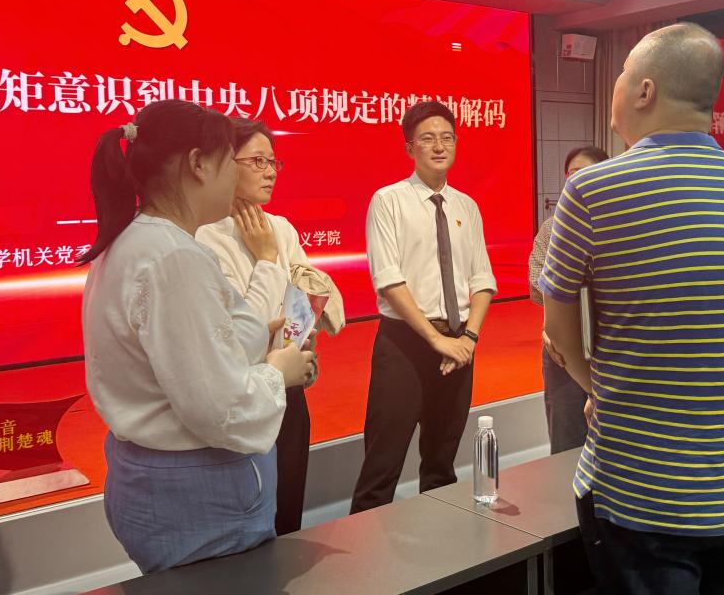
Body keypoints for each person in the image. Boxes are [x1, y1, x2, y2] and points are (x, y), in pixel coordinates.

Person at [540, 23, 724, 595]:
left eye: (623, 73)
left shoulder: (593, 190)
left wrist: (596, 388)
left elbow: (558, 331)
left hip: (641, 493)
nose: (617, 85)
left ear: (645, 91)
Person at [80, 100, 314, 573]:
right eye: (235, 161)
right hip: (198, 497)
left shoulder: (142, 241)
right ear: (198, 164)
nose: (247, 176)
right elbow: (219, 406)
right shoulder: (174, 257)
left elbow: (204, 345)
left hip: (155, 483)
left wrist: (259, 329)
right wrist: (277, 372)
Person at [196, 117, 345, 535]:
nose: (270, 172)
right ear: (225, 164)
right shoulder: (205, 237)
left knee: (289, 510)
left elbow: (301, 303)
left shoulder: (281, 227)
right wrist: (265, 259)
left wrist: (304, 335)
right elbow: (238, 329)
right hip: (242, 393)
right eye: (257, 161)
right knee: (247, 520)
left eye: (274, 162)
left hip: (289, 389)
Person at [350, 101, 496, 513]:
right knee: (382, 465)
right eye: (428, 139)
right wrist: (435, 340)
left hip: (459, 344)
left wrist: (467, 339)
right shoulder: (388, 201)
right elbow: (388, 279)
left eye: (447, 137)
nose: (439, 146)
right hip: (405, 344)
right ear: (409, 147)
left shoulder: (466, 206)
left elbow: (482, 280)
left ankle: (440, 543)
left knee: (441, 463)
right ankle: (366, 551)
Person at [528, 146, 608, 454]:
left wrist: (568, 291)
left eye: (585, 173)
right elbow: (537, 282)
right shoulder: (552, 228)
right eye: (571, 174)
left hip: (610, 343)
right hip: (560, 345)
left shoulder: (618, 223)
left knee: (613, 435)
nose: (576, 181)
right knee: (564, 434)